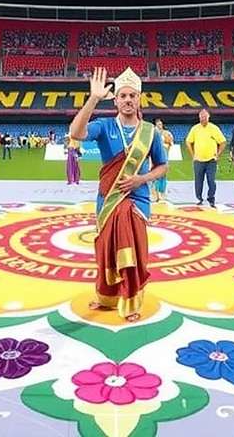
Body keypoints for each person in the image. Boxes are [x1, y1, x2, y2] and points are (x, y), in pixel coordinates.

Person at [68, 67, 168, 322]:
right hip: (108, 199)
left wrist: (141, 179)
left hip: (137, 201)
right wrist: (93, 98)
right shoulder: (104, 126)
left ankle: (132, 301)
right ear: (115, 100)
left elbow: (162, 166)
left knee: (134, 251)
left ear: (139, 99)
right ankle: (107, 297)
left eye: (132, 95)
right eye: (123, 95)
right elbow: (76, 133)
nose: (128, 100)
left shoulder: (150, 132)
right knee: (105, 250)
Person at [186, 108, 225, 207]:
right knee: (198, 181)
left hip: (211, 160)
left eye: (204, 117)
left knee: (211, 181)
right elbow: (188, 141)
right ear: (199, 117)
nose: (203, 119)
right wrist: (193, 155)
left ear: (208, 117)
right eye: (201, 117)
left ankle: (211, 198)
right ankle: (199, 198)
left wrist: (218, 154)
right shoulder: (195, 129)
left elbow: (223, 142)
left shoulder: (214, 128)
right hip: (198, 160)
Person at [151, 118, 174, 202]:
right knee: (155, 174)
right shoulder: (152, 133)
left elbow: (171, 143)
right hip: (155, 158)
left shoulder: (167, 133)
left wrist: (167, 144)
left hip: (164, 157)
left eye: (160, 124)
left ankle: (162, 193)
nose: (159, 126)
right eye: (158, 125)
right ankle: (155, 194)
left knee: (163, 175)